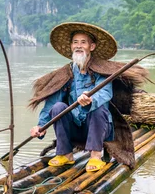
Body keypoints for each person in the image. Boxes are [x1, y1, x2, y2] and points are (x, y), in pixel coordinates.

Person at [29, 22, 148, 172]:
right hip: (77, 128)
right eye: (75, 42)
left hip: (100, 129)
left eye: (83, 42)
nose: (78, 46)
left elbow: (105, 93)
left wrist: (91, 100)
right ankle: (65, 154)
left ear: (91, 47)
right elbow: (52, 101)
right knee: (58, 107)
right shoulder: (66, 73)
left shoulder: (101, 71)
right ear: (71, 46)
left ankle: (96, 156)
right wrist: (41, 126)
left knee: (97, 109)